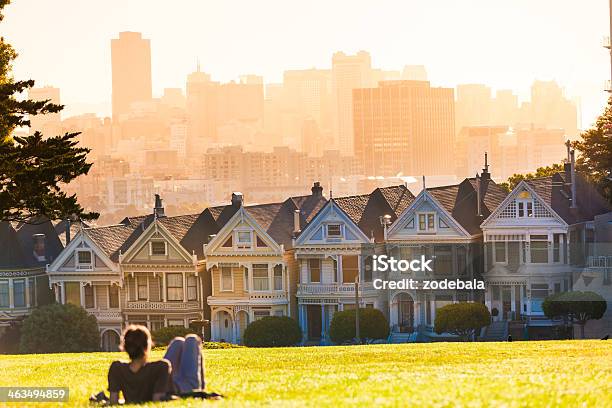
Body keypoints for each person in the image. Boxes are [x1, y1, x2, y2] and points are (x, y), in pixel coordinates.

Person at [107, 325, 205, 405]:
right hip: (182, 389)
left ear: (124, 347)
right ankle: (201, 386)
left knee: (178, 342)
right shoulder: (161, 366)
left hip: (167, 381)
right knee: (192, 339)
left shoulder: (117, 368)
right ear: (147, 346)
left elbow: (113, 401)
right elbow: (157, 400)